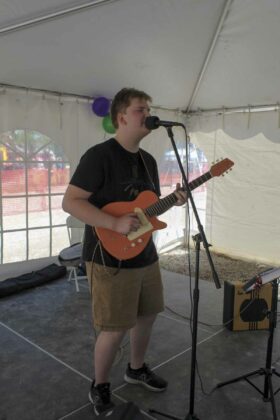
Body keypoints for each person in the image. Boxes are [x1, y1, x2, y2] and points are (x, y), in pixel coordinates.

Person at [62, 87, 186, 415]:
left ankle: (136, 368)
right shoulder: (99, 156)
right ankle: (100, 384)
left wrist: (173, 200)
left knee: (147, 315)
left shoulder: (148, 161)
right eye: (140, 110)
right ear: (120, 117)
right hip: (109, 257)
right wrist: (113, 224)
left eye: (149, 108)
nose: (147, 114)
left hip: (145, 255)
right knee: (115, 326)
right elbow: (71, 201)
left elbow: (146, 211)